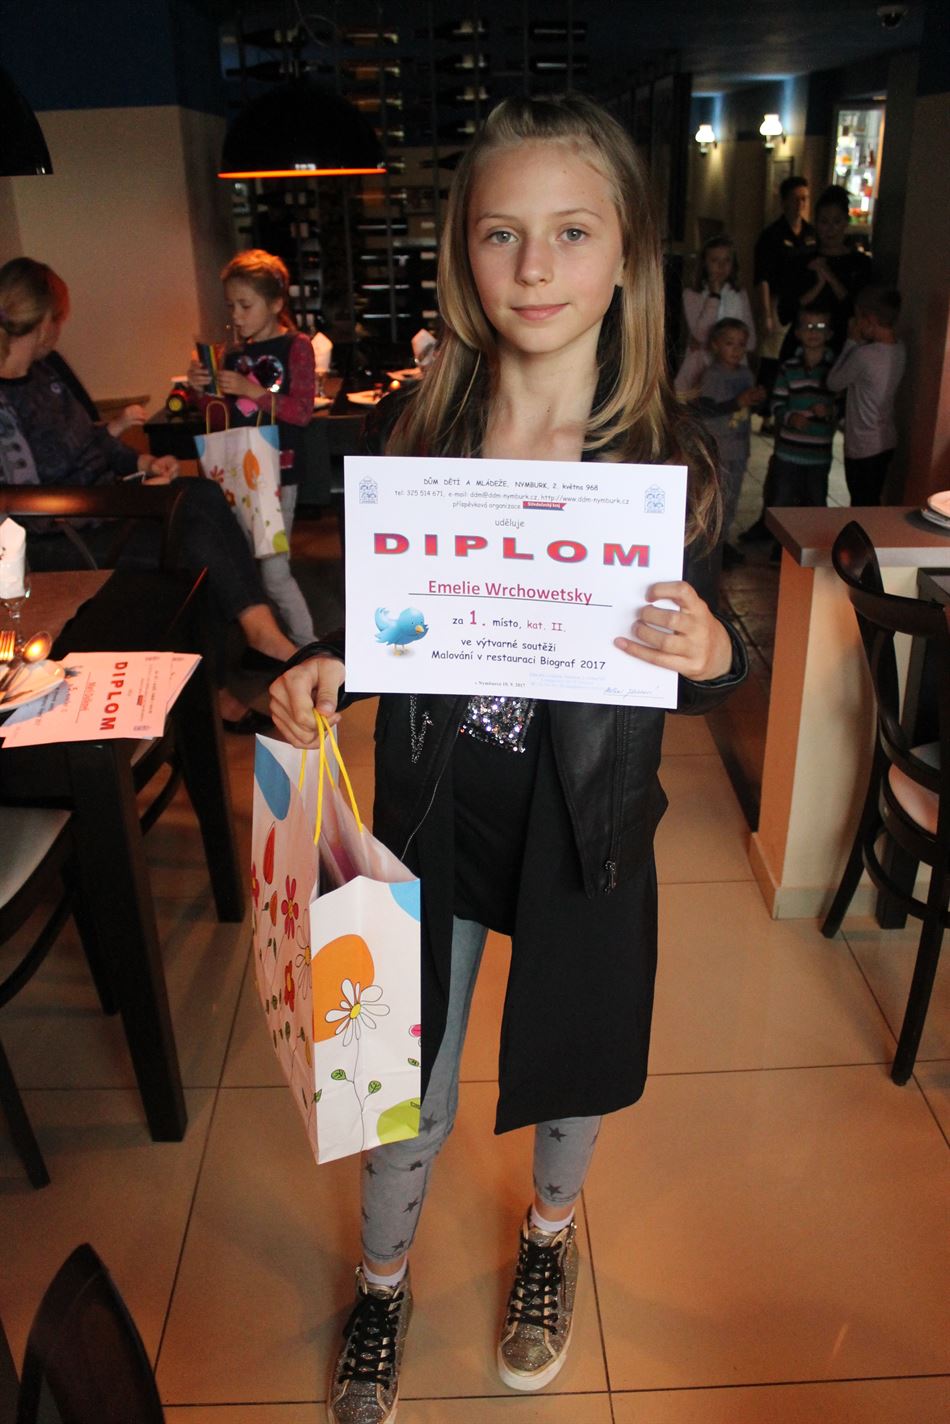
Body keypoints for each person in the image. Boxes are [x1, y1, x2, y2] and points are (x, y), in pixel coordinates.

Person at [268, 94, 748, 1424]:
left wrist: (711, 650)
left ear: (625, 253)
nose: (534, 268)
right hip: (430, 815)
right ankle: (380, 1281)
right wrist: (327, 664)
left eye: (571, 232)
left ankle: (547, 1236)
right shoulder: (421, 435)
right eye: (500, 234)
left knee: (570, 1061)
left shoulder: (668, 464)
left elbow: (716, 655)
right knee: (399, 1079)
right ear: (462, 254)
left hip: (584, 825)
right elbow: (387, 624)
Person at [0, 256, 296, 731]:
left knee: (202, 495)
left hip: (111, 505)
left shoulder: (46, 371)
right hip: (66, 536)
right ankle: (226, 679)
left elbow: (92, 439)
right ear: (44, 321)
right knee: (195, 545)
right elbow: (27, 507)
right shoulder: (5, 402)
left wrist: (140, 465)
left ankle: (257, 634)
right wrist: (127, 499)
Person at [188, 248, 316, 647]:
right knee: (243, 567)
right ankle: (270, 644)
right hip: (235, 473)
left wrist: (251, 390)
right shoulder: (234, 353)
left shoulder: (296, 346)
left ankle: (308, 648)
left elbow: (301, 412)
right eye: (232, 306)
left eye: (246, 305)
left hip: (277, 475)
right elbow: (220, 417)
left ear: (276, 304)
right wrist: (200, 390)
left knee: (274, 574)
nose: (237, 316)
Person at [826, 285, 906, 505]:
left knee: (861, 503)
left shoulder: (864, 355)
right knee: (871, 500)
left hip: (863, 444)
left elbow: (833, 382)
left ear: (869, 320)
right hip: (886, 439)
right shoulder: (900, 349)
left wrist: (850, 342)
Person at [695, 318, 765, 568]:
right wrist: (738, 402)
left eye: (741, 344)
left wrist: (756, 398)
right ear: (715, 345)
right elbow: (704, 410)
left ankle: (723, 542)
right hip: (719, 450)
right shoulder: (712, 376)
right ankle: (712, 546)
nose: (736, 350)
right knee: (717, 500)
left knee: (732, 499)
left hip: (739, 448)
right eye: (729, 343)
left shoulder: (746, 374)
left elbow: (746, 409)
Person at [776, 184, 873, 360]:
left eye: (837, 222)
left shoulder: (861, 264)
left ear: (846, 222)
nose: (830, 229)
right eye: (824, 222)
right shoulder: (800, 260)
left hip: (842, 349)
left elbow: (858, 312)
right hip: (800, 352)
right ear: (816, 223)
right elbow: (785, 313)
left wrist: (829, 275)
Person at [752, 175, 816, 424]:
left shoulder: (811, 234)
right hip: (779, 304)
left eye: (804, 199)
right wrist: (766, 313)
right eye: (795, 199)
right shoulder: (772, 235)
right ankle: (766, 413)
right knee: (772, 359)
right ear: (785, 201)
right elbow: (763, 278)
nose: (800, 204)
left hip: (805, 304)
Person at [767, 303, 838, 513]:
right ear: (797, 333)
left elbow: (843, 406)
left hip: (819, 455)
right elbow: (776, 403)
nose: (813, 332)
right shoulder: (788, 368)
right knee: (782, 504)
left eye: (820, 326)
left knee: (815, 506)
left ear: (829, 333)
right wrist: (790, 417)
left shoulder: (835, 370)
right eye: (807, 326)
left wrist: (829, 411)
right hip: (788, 452)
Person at [673, 233, 755, 395]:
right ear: (705, 263)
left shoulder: (739, 295)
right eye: (715, 260)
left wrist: (734, 347)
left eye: (726, 260)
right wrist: (714, 296)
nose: (721, 266)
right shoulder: (692, 295)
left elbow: (750, 339)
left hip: (734, 366)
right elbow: (700, 335)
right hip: (702, 366)